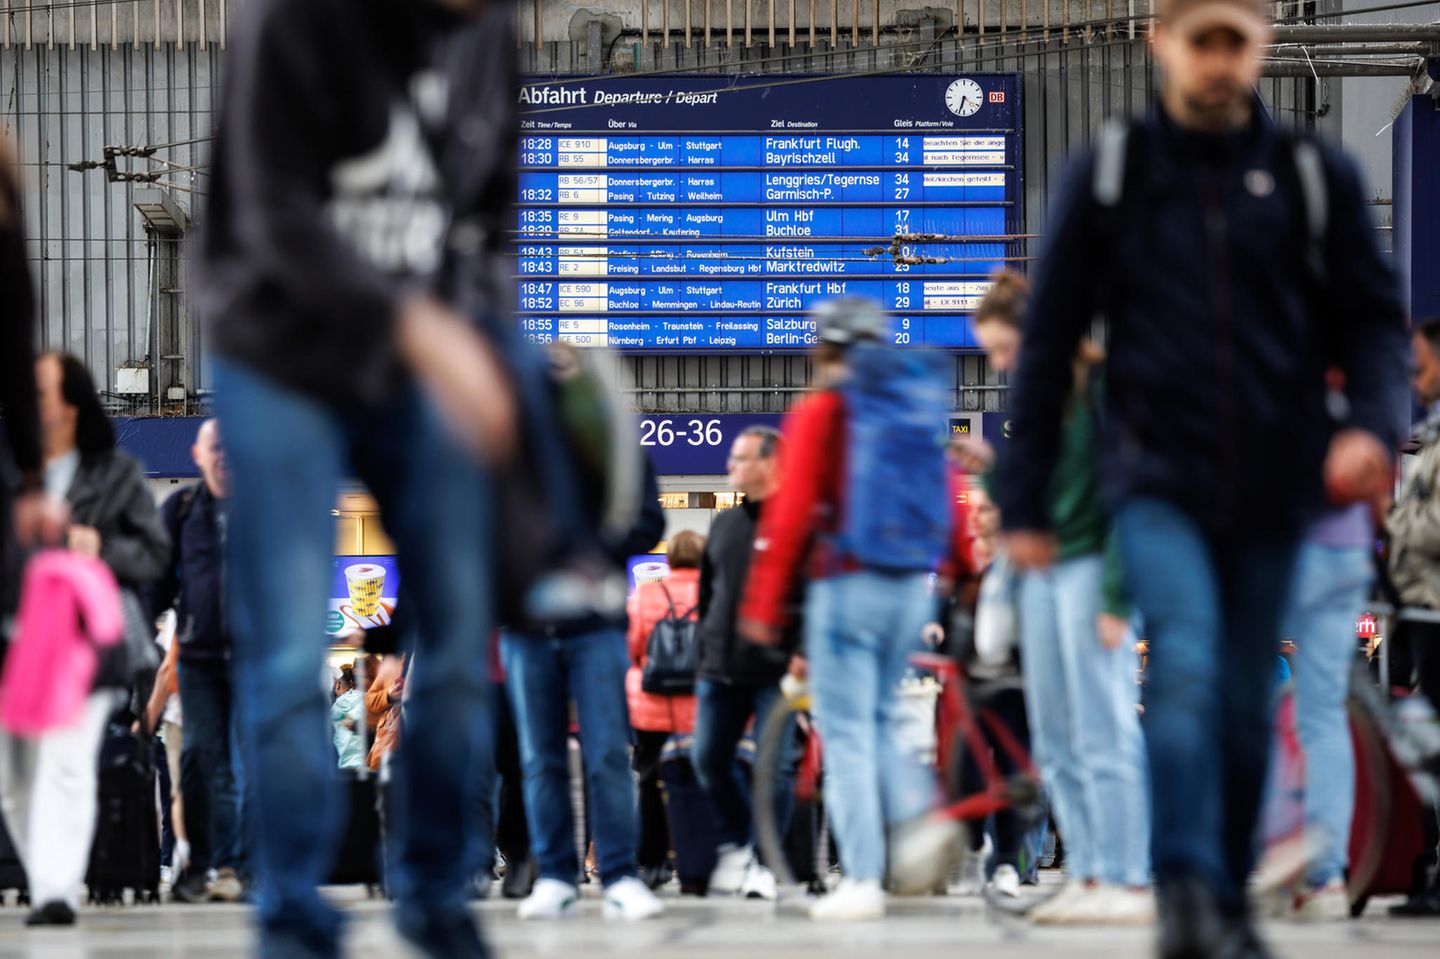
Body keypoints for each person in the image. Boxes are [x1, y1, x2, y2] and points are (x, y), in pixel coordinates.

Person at [992, 0, 1408, 953]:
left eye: (1237, 41)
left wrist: (1375, 427)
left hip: (1277, 486)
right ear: (1162, 42)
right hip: (1157, 480)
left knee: (1239, 696)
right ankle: (1184, 888)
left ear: (1260, 45)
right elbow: (1048, 345)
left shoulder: (1313, 176)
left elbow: (1375, 324)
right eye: (1201, 41)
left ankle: (1220, 884)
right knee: (1179, 670)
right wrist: (1021, 499)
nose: (1219, 62)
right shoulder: (1110, 176)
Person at [196, 0, 520, 954]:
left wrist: (491, 345)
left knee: (461, 631)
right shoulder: (290, 22)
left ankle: (433, 883)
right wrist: (422, 327)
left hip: (416, 362)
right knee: (294, 641)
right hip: (279, 350)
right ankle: (291, 900)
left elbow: (489, 216)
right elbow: (273, 215)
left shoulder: (488, 30)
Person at [740, 298, 971, 921]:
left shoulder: (823, 411)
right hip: (907, 589)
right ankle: (916, 808)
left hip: (845, 585)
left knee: (845, 732)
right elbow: (950, 491)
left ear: (824, 348)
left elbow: (790, 515)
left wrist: (763, 602)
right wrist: (962, 569)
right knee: (876, 716)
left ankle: (867, 875)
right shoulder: (910, 409)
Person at [971, 271, 1152, 924]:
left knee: (1104, 724)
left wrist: (1114, 594)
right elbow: (1040, 488)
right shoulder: (1036, 399)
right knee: (1052, 734)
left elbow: (1124, 493)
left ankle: (1129, 876)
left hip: (1088, 569)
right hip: (1040, 573)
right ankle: (1090, 869)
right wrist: (988, 464)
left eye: (1001, 348)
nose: (999, 364)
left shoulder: (1102, 387)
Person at [0, 352, 170, 927]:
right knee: (14, 779)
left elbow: (152, 554)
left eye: (42, 392)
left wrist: (100, 548)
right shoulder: (12, 471)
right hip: (15, 641)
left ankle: (56, 890)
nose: (31, 402)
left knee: (68, 766)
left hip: (84, 641)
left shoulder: (115, 472)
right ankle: (45, 875)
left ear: (70, 404)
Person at [502, 458, 667, 922]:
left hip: (596, 619)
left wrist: (593, 557)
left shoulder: (605, 429)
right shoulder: (510, 426)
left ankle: (619, 874)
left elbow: (648, 516)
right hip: (527, 622)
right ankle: (555, 874)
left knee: (609, 753)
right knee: (539, 757)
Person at [691, 425, 797, 901]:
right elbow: (708, 593)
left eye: (739, 459)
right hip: (721, 668)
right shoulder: (725, 523)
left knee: (774, 769)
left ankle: (763, 859)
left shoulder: (799, 524)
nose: (729, 466)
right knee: (708, 759)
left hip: (778, 670)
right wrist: (703, 652)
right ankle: (737, 840)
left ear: (770, 464)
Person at [151, 418, 245, 904]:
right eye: (216, 448)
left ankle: (235, 865)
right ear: (198, 455)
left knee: (239, 764)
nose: (225, 456)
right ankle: (200, 863)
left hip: (253, 659)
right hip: (200, 657)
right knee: (195, 760)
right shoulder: (181, 509)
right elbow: (159, 582)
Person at [1382, 316, 1440, 918]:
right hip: (1419, 608)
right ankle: (1427, 869)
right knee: (1424, 745)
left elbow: (1431, 523)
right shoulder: (1431, 431)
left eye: (1421, 362)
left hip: (1433, 603)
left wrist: (1393, 526)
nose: (1414, 374)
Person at [626, 531, 705, 890]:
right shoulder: (714, 594)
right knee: (697, 781)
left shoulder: (645, 595)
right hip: (700, 705)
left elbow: (633, 646)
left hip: (651, 705)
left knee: (649, 782)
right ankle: (695, 865)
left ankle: (653, 864)